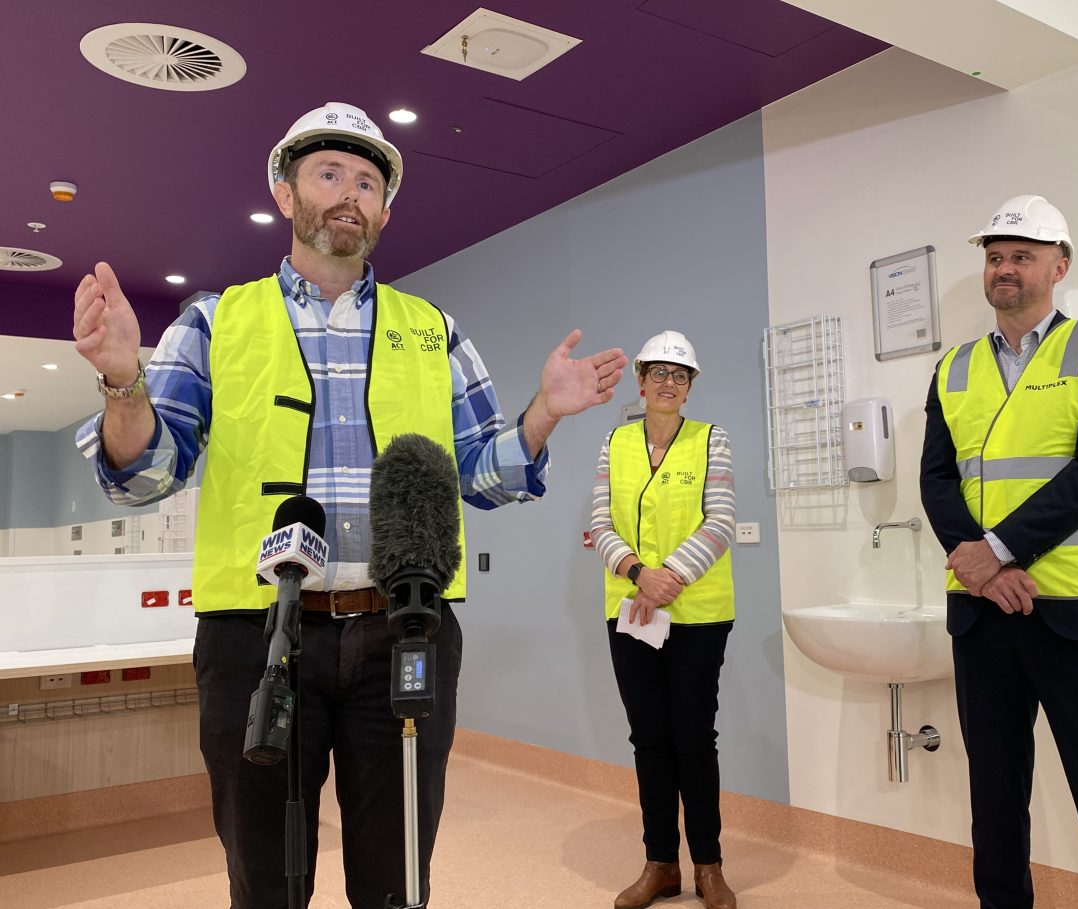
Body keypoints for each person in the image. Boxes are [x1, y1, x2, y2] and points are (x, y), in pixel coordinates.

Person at [71, 101, 626, 908]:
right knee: (265, 875)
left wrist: (543, 413)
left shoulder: (433, 330)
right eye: (329, 172)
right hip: (256, 638)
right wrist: (126, 381)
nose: (349, 193)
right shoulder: (215, 321)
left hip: (405, 631)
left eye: (367, 181)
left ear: (385, 212)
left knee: (397, 876)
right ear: (285, 191)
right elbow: (147, 473)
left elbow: (482, 475)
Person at [919, 195, 1078, 908]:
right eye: (995, 256)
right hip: (984, 617)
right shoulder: (954, 367)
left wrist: (995, 549)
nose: (1004, 268)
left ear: (1059, 266)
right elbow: (936, 476)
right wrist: (980, 568)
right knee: (994, 808)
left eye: (1021, 255)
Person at [590, 331, 737, 909]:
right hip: (629, 608)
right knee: (649, 739)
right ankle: (659, 864)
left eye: (681, 375)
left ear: (690, 385)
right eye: (659, 373)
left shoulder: (711, 440)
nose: (669, 383)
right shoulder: (615, 442)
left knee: (694, 738)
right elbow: (600, 521)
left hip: (698, 613)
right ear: (641, 380)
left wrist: (667, 576)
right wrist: (635, 572)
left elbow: (720, 521)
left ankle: (708, 865)